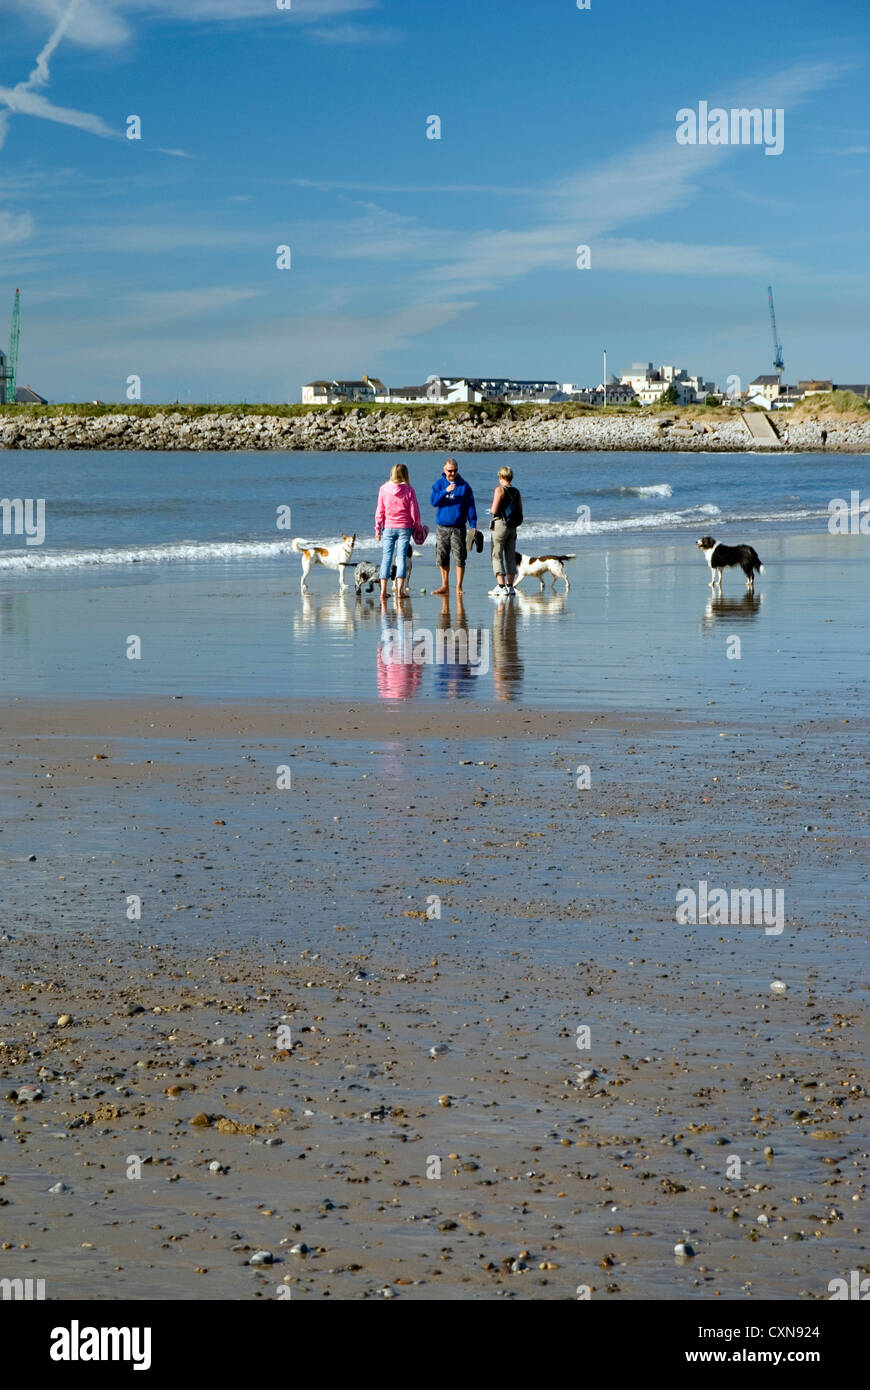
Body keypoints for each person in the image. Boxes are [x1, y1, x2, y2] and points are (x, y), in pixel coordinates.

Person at [375, 462, 422, 604]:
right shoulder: (409, 490)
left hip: (388, 527)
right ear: (405, 475)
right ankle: (400, 591)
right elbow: (414, 512)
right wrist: (417, 525)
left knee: (386, 558)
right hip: (404, 528)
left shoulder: (383, 489)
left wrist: (377, 529)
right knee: (401, 558)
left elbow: (380, 511)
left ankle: (383, 591)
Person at [430, 458, 477, 596]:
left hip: (459, 527)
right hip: (442, 526)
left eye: (455, 470)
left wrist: (473, 525)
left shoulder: (464, 486)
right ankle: (444, 585)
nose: (452, 473)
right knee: (442, 556)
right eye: (450, 471)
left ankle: (458, 586)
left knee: (460, 556)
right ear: (444, 471)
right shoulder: (439, 485)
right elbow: (433, 501)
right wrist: (445, 491)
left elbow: (470, 506)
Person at [488, 465, 523, 597]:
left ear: (501, 477)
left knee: (496, 554)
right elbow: (520, 509)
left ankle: (501, 586)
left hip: (500, 524)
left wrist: (490, 510)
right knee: (510, 555)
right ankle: (510, 586)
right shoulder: (516, 491)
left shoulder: (500, 490)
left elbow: (495, 510)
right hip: (513, 526)